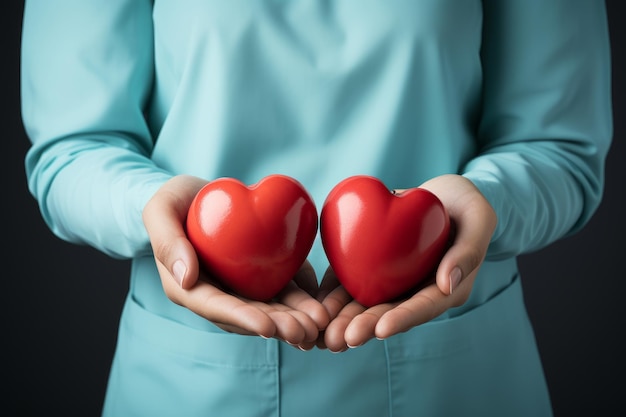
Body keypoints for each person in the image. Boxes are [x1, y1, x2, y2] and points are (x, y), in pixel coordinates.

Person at [20, 1, 612, 416]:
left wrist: (489, 201)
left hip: (460, 385)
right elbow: (73, 147)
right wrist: (151, 207)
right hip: (189, 387)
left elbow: (562, 147)